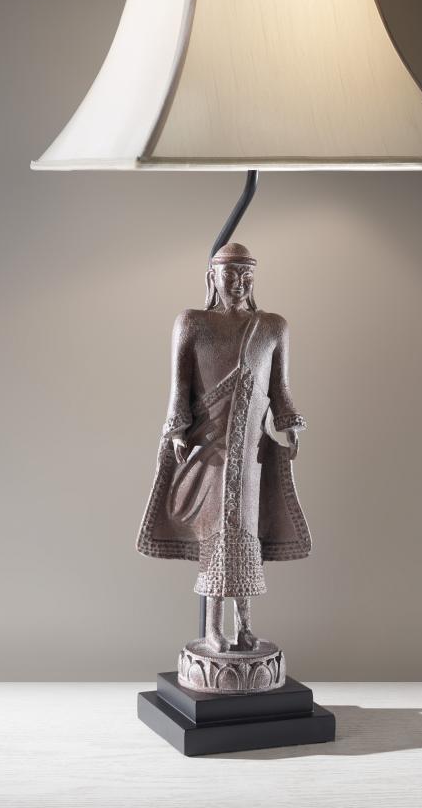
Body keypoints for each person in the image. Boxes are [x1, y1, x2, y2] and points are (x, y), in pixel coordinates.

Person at [137, 242, 311, 652]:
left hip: (250, 452)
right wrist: (177, 429)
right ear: (212, 277)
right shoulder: (192, 323)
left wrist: (289, 423)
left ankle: (245, 626)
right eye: (230, 274)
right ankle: (213, 628)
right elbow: (179, 386)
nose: (238, 283)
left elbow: (279, 387)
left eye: (246, 275)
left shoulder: (272, 327)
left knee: (245, 538)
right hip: (208, 448)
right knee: (215, 535)